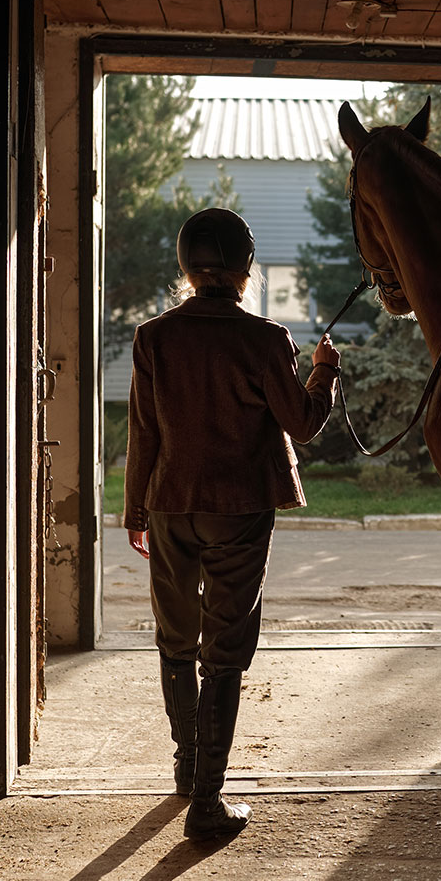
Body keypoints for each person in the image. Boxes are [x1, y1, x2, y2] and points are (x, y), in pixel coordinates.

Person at [124, 208, 340, 839]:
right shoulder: (268, 340)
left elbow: (143, 432)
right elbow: (303, 423)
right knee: (225, 649)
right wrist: (323, 371)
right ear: (246, 272)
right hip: (241, 510)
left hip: (169, 504)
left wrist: (136, 510)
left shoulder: (153, 338)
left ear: (186, 270)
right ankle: (208, 805)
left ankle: (187, 769)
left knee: (175, 637)